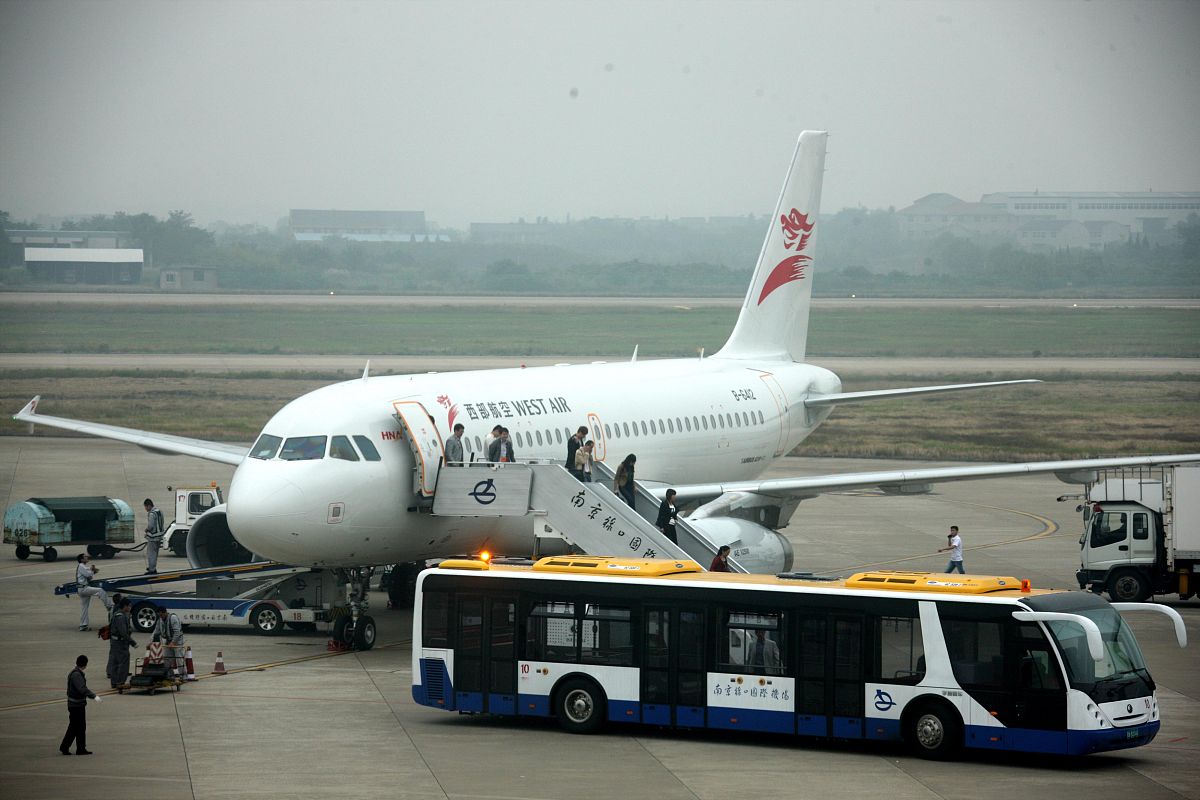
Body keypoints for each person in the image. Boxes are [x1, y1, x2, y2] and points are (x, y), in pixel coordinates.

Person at [60, 654, 98, 755]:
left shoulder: (76, 673)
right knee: (75, 727)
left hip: (77, 704)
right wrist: (93, 696)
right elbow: (82, 689)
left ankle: (80, 748)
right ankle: (65, 747)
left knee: (80, 727)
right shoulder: (76, 675)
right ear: (85, 664)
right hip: (76, 706)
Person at [75, 553, 112, 631]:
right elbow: (88, 575)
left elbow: (89, 577)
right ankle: (109, 606)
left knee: (84, 607)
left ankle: (83, 625)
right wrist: (92, 570)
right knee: (100, 591)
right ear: (82, 559)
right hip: (83, 589)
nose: (87, 557)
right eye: (85, 557)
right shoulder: (81, 566)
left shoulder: (83, 567)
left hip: (82, 588)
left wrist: (93, 571)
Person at [106, 598, 137, 689]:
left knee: (115, 662)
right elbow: (123, 632)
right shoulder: (120, 616)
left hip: (115, 642)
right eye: (129, 606)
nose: (130, 607)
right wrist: (132, 642)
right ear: (125, 606)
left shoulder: (120, 614)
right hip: (120, 643)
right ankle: (120, 682)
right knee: (123, 662)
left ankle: (114, 682)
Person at [153, 606, 186, 678]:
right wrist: (151, 642)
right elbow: (156, 632)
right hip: (168, 641)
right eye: (159, 615)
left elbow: (177, 632)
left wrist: (173, 642)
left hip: (177, 641)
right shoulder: (160, 620)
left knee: (179, 658)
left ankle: (183, 675)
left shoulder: (173, 618)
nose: (160, 617)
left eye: (161, 615)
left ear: (165, 612)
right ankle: (169, 675)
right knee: (167, 658)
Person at [143, 498, 164, 574]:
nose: (145, 509)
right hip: (159, 536)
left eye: (145, 507)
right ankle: (153, 567)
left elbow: (151, 526)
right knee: (155, 554)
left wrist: (147, 530)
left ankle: (152, 570)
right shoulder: (159, 511)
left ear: (148, 506)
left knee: (151, 554)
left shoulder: (152, 514)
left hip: (153, 537)